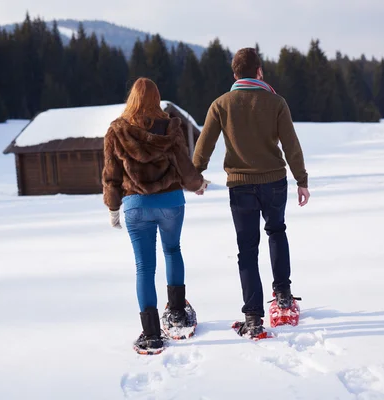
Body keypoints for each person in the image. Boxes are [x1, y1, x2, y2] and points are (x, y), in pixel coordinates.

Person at [192, 48, 310, 339]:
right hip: (274, 182)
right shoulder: (276, 102)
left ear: (235, 74)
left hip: (240, 185)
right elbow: (291, 145)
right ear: (260, 71)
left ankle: (253, 317)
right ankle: (283, 295)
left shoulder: (221, 104)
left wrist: (195, 177)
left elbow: (203, 146)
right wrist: (302, 180)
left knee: (247, 249)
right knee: (277, 232)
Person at [102, 77, 208, 354]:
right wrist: (197, 184)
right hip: (171, 201)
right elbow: (184, 165)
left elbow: (111, 176)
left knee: (144, 267)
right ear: (156, 98)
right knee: (173, 251)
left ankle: (151, 334)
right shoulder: (171, 127)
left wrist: (113, 208)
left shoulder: (116, 130)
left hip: (136, 205)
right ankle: (176, 314)